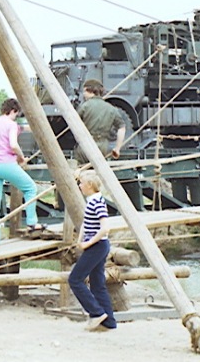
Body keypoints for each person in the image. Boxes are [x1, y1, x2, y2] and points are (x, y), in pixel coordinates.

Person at [0, 98, 42, 250]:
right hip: (7, 164)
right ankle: (32, 222)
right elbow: (13, 145)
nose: (16, 117)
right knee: (30, 188)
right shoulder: (11, 124)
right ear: (13, 111)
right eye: (16, 114)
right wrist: (21, 157)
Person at [68, 170, 117, 331]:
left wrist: (88, 243)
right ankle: (109, 322)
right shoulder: (93, 201)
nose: (79, 186)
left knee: (75, 279)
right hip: (97, 245)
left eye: (81, 183)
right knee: (97, 284)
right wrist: (80, 239)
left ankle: (96, 313)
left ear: (89, 185)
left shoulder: (97, 203)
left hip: (97, 246)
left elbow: (105, 228)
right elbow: (85, 223)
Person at [75, 79, 125, 164]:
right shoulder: (111, 108)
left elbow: (75, 124)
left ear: (89, 90)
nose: (83, 94)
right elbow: (122, 128)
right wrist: (117, 148)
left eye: (84, 91)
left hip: (86, 145)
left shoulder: (84, 107)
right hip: (103, 147)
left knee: (81, 169)